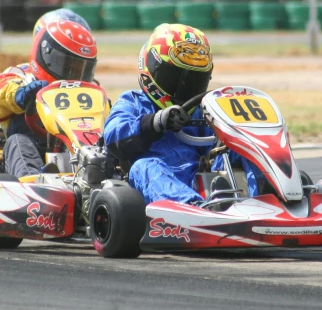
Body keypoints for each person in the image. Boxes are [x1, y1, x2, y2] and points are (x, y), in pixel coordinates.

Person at [103, 23, 262, 206]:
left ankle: (268, 197)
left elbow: (214, 149)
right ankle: (192, 209)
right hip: (154, 182)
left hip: (199, 176)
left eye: (195, 81)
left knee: (245, 148)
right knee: (145, 166)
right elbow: (113, 135)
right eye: (176, 78)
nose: (187, 88)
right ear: (153, 68)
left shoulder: (201, 110)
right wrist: (157, 122)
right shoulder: (133, 102)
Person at [0, 9, 97, 178]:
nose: (74, 73)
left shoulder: (90, 88)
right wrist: (21, 95)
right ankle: (34, 186)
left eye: (80, 68)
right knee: (18, 142)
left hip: (76, 149)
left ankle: (99, 177)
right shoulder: (21, 75)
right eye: (67, 65)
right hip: (31, 147)